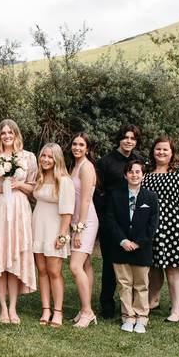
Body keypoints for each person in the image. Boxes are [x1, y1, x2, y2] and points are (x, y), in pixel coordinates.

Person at [0, 119, 38, 324]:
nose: (6, 136)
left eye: (10, 133)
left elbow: (33, 188)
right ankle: (2, 308)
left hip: (20, 210)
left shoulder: (28, 157)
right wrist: (3, 187)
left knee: (14, 258)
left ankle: (13, 307)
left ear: (16, 134)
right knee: (0, 257)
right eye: (3, 133)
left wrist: (18, 185)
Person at [143, 136, 179, 323]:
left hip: (175, 227)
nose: (161, 152)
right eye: (158, 149)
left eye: (165, 150)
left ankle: (177, 311)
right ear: (153, 151)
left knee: (173, 269)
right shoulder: (147, 172)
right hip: (151, 226)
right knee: (153, 267)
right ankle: (152, 301)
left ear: (172, 152)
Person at [94, 124, 146, 319]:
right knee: (110, 264)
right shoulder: (105, 162)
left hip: (134, 220)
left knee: (134, 264)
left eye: (132, 138)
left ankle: (133, 305)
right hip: (111, 219)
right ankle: (107, 303)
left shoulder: (139, 160)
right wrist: (103, 219)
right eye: (125, 137)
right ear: (119, 139)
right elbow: (98, 192)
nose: (129, 141)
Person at [103, 159, 159, 334]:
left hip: (142, 248)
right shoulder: (115, 195)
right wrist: (123, 241)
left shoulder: (150, 197)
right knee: (124, 283)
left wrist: (139, 242)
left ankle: (141, 317)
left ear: (143, 175)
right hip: (120, 248)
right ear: (125, 174)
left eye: (138, 172)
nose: (134, 175)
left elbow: (153, 223)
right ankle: (127, 316)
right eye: (131, 172)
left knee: (141, 284)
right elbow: (110, 219)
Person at [31, 143, 75, 329]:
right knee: (41, 271)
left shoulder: (64, 181)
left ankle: (58, 311)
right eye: (43, 156)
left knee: (54, 272)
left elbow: (67, 212)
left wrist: (62, 235)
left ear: (57, 159)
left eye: (50, 157)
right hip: (37, 228)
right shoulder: (39, 177)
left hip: (55, 230)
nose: (46, 160)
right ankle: (46, 309)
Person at [68, 132, 100, 328]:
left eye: (81, 145)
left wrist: (79, 228)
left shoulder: (87, 168)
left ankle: (87, 311)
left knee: (74, 266)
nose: (77, 147)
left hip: (85, 220)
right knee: (86, 264)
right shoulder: (75, 166)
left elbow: (86, 199)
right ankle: (84, 309)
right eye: (74, 144)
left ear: (87, 148)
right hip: (76, 220)